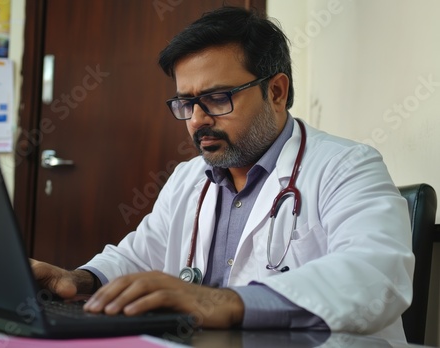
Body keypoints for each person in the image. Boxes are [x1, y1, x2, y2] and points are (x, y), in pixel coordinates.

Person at [31, 6, 414, 341]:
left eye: (216, 98)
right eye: (186, 102)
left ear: (276, 92)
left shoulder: (347, 166)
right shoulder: (188, 177)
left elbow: (376, 275)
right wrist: (77, 280)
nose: (197, 120)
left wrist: (222, 303)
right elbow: (138, 257)